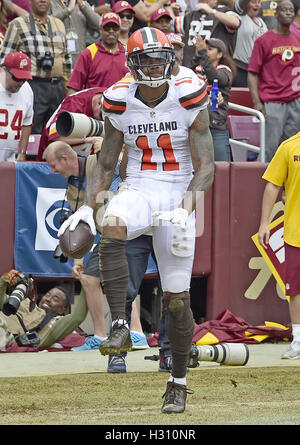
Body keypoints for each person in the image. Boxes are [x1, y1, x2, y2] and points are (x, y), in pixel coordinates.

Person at [58, 28, 214, 413]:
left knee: (177, 301)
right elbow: (106, 162)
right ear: (132, 62)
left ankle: (177, 382)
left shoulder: (188, 90)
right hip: (140, 184)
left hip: (181, 188)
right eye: (146, 58)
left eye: (161, 56)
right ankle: (119, 327)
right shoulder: (119, 99)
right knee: (111, 222)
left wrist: (187, 208)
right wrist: (86, 207)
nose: (156, 64)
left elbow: (207, 165)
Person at [42, 141, 149, 364]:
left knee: (113, 281)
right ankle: (119, 334)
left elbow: (118, 156)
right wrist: (77, 260)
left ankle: (127, 333)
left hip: (122, 226)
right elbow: (81, 223)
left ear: (65, 159)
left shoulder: (96, 163)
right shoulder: (71, 186)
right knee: (93, 279)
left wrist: (101, 139)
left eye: (54, 165)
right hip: (105, 232)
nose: (52, 171)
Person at [0, 0, 72, 135]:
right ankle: (27, 156)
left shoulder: (59, 24)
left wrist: (67, 88)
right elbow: (4, 61)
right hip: (32, 85)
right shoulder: (17, 24)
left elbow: (66, 59)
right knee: (32, 132)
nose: (43, 0)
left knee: (56, 133)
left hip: (57, 87)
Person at [257, 133, 300, 360]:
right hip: (295, 231)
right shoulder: (289, 147)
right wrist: (264, 222)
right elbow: (273, 185)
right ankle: (298, 341)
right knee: (295, 290)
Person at [248, 0, 300, 162]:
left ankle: (290, 186)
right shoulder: (264, 40)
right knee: (270, 149)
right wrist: (257, 102)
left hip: (295, 101)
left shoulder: (298, 38)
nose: (288, 13)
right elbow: (252, 73)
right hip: (273, 102)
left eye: (291, 10)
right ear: (276, 14)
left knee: (293, 149)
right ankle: (262, 185)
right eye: (284, 10)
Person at [0, 269, 88, 350]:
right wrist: (4, 280)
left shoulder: (55, 324)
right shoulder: (24, 303)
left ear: (62, 309)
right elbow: (2, 300)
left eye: (55, 299)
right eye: (48, 295)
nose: (48, 299)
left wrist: (87, 284)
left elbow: (77, 317)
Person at [189, 36, 236, 161]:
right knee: (198, 166)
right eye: (206, 49)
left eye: (210, 49)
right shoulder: (197, 68)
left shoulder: (225, 70)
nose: (206, 51)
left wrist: (203, 53)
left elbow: (214, 77)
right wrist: (198, 54)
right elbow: (187, 75)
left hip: (216, 125)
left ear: (220, 54)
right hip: (197, 124)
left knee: (221, 166)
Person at [36, 86, 107, 161]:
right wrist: (86, 140)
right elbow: (56, 136)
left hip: (85, 160)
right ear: (99, 103)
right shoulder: (74, 103)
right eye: (102, 117)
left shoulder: (112, 97)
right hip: (53, 159)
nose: (103, 121)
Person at [66, 13, 129, 95]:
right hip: (94, 106)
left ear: (119, 30)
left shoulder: (128, 53)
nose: (111, 31)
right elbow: (73, 87)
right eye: (107, 27)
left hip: (123, 106)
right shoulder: (88, 53)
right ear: (100, 29)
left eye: (115, 27)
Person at [174, 0, 241, 64]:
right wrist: (169, 7)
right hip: (190, 68)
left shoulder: (224, 11)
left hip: (215, 69)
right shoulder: (191, 15)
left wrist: (211, 11)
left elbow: (235, 22)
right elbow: (169, 25)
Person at [0, 52, 33, 161]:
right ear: (4, 70)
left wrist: (22, 153)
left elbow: (27, 123)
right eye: (17, 78)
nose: (21, 83)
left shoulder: (27, 90)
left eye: (25, 79)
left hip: (10, 159)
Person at [49, 0, 101, 66]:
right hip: (57, 62)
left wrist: (83, 6)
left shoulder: (81, 3)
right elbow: (46, 24)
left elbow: (99, 25)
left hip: (78, 63)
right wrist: (68, 10)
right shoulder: (50, 2)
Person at [232, 0, 268, 87]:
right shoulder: (240, 17)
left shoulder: (261, 21)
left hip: (258, 70)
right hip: (241, 68)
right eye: (253, 2)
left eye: (259, 2)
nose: (257, 5)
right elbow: (240, 4)